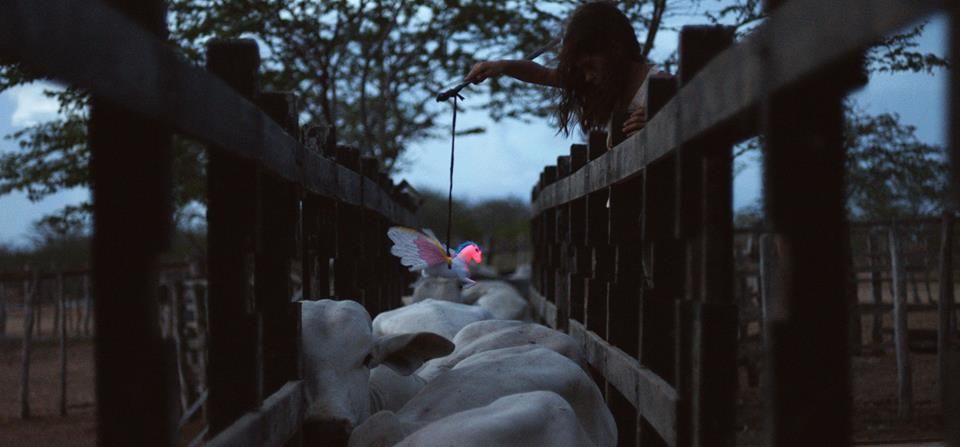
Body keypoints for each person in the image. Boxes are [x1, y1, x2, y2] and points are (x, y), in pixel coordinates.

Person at [464, 1, 658, 148]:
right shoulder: (608, 86)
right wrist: (502, 66)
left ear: (615, 50)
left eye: (590, 66)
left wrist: (662, 117)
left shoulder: (667, 87)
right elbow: (544, 75)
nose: (588, 77)